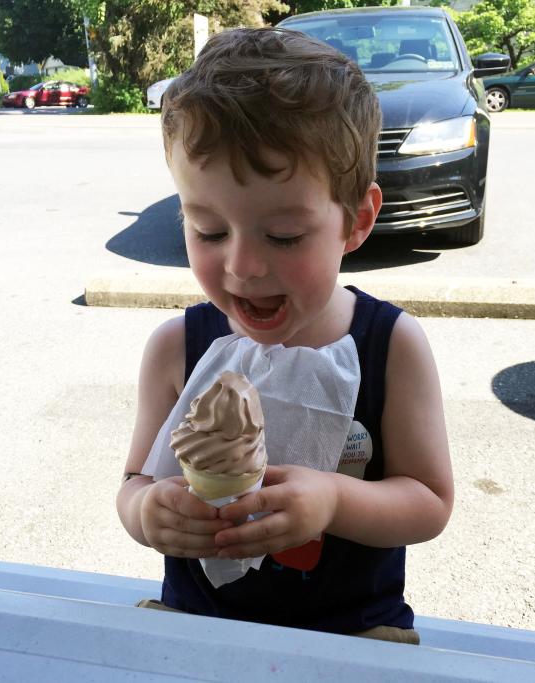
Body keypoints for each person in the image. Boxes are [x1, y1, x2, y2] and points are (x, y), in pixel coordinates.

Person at [116, 27, 453, 645]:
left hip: (347, 635)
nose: (243, 266)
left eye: (285, 236)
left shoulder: (390, 346)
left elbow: (429, 501)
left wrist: (333, 500)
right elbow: (136, 481)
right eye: (209, 231)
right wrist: (146, 512)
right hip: (203, 630)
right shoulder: (176, 348)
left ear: (356, 221)